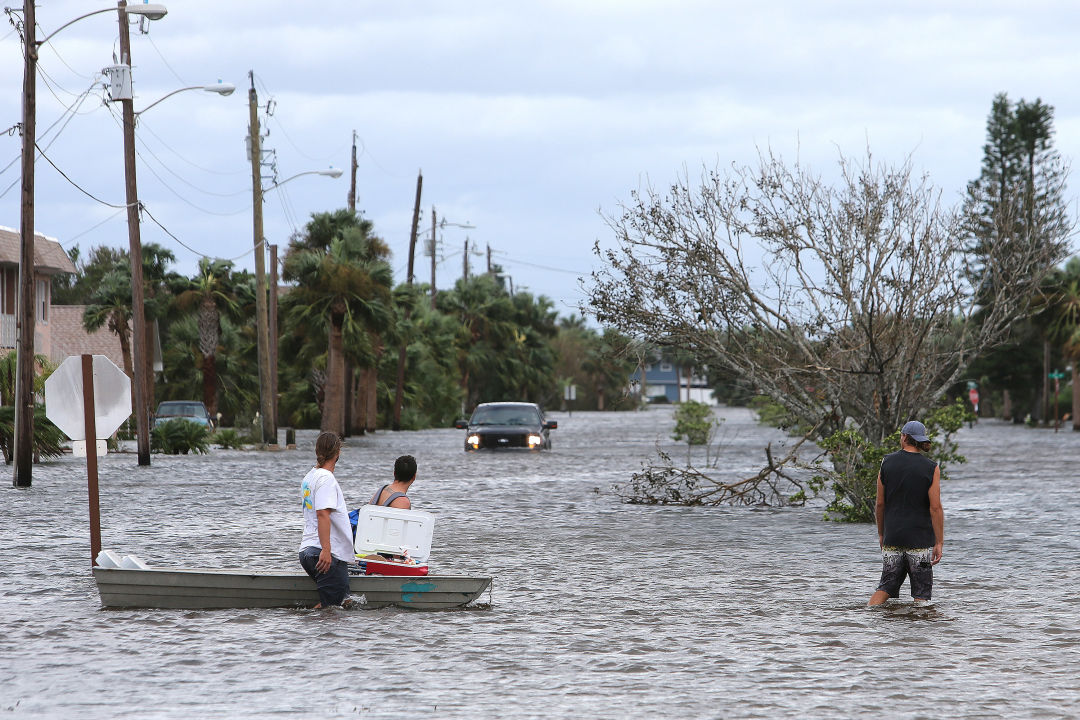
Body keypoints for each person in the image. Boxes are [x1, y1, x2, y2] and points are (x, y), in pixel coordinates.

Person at [868, 420, 945, 606]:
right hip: (920, 542)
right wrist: (939, 542)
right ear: (919, 440)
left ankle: (866, 619)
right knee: (922, 592)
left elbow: (880, 504)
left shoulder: (886, 462)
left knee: (886, 586)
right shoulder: (931, 467)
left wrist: (881, 533)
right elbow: (935, 508)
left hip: (892, 537)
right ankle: (918, 632)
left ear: (903, 437)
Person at [298, 432, 353, 609]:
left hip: (307, 550)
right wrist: (327, 550)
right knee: (332, 610)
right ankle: (305, 633)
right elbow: (322, 514)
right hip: (324, 553)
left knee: (341, 603)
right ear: (338, 453)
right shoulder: (326, 479)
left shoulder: (310, 477)